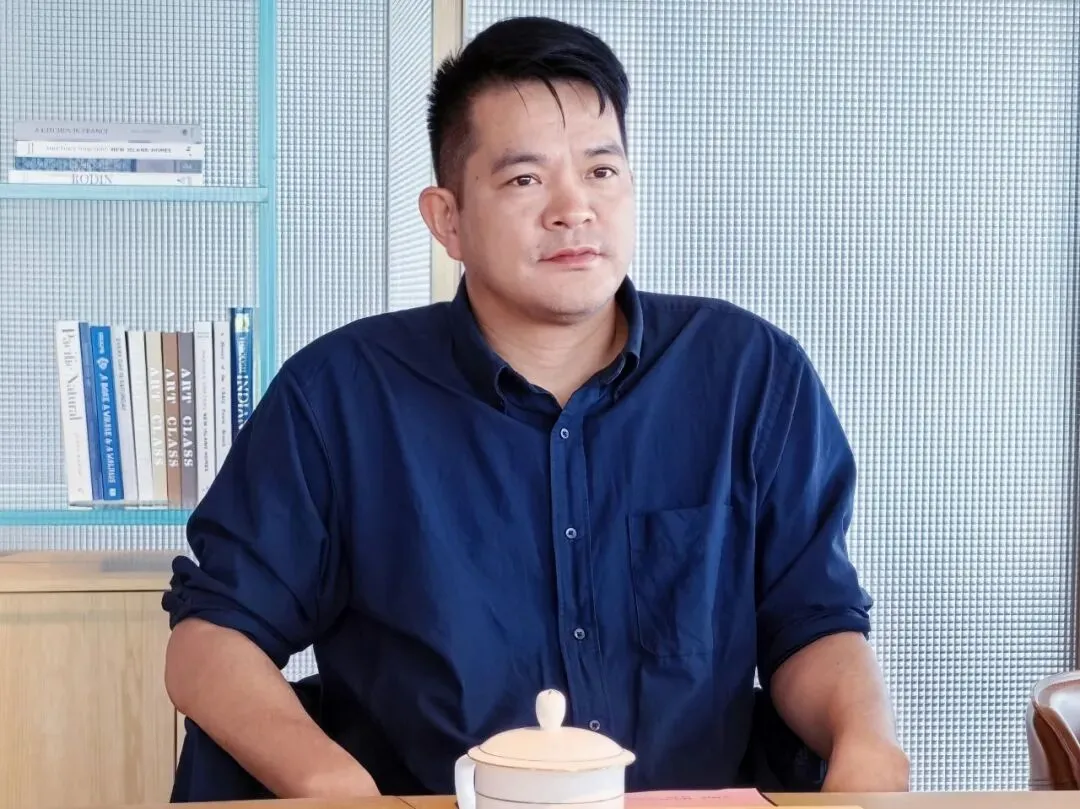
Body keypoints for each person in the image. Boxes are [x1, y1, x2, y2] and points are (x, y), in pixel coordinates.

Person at [162, 15, 909, 800]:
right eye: (525, 180)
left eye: (601, 171)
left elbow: (813, 621)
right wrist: (329, 781)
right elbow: (211, 637)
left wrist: (867, 741)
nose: (573, 209)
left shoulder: (749, 374)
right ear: (448, 219)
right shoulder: (339, 395)